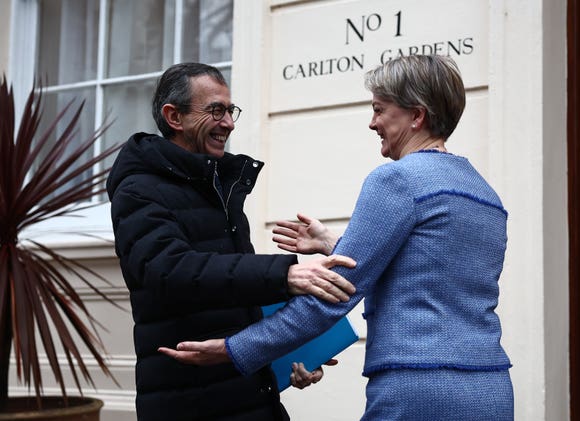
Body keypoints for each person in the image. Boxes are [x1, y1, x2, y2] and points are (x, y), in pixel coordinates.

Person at [159, 55, 514, 420]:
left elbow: (334, 293)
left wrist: (235, 349)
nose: (372, 122)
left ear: (416, 116)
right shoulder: (485, 194)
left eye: (379, 109)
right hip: (491, 390)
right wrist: (334, 245)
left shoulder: (397, 180)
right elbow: (429, 271)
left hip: (419, 390)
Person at [106, 62, 356, 421]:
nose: (229, 123)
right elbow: (169, 269)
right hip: (191, 403)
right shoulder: (137, 190)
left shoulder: (217, 184)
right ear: (174, 116)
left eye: (230, 110)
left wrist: (290, 353)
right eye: (216, 111)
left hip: (249, 392)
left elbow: (233, 290)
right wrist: (286, 275)